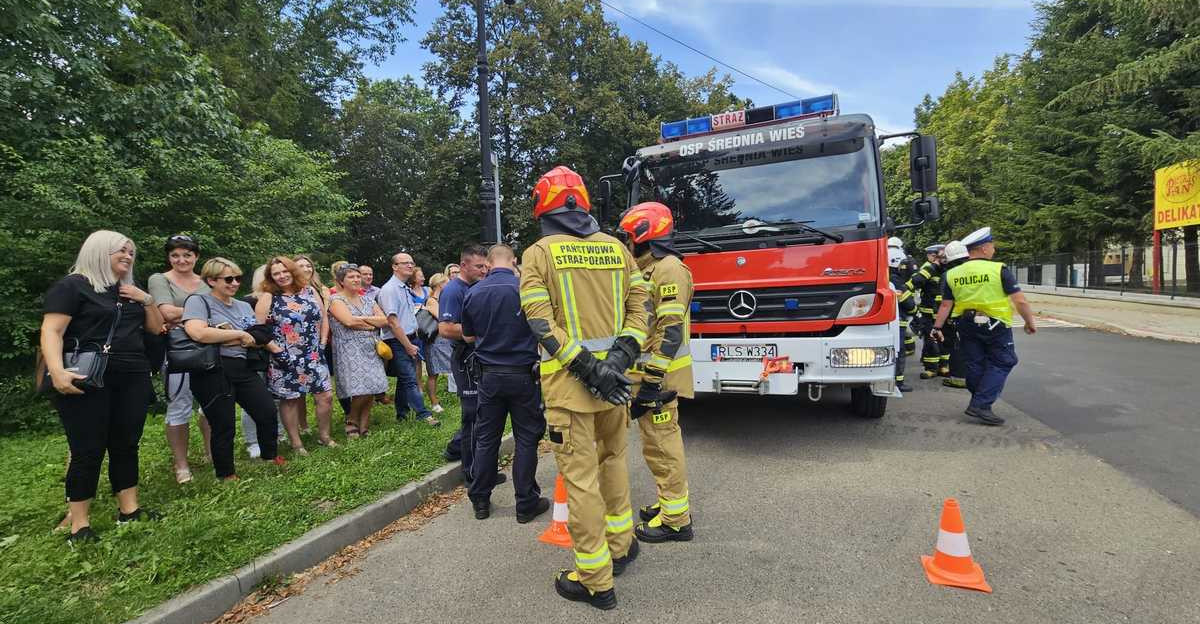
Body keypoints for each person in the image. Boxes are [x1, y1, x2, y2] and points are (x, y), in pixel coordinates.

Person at [520, 166, 649, 610]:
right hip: (616, 385)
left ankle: (595, 580)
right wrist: (618, 360)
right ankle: (621, 546)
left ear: (544, 206)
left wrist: (588, 368)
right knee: (614, 464)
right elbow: (640, 306)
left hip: (572, 389)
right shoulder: (617, 249)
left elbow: (541, 323)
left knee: (580, 481)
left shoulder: (538, 254)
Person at [42, 231, 166, 543]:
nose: (127, 256)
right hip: (87, 377)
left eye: (130, 252)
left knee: (127, 442)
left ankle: (129, 510)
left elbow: (154, 328)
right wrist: (57, 372)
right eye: (120, 251)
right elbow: (52, 330)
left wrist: (146, 299)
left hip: (132, 374)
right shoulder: (74, 285)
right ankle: (79, 525)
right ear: (98, 251)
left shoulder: (128, 291)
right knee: (87, 449)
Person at [618, 203, 696, 543]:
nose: (625, 244)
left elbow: (670, 331)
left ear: (644, 236)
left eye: (628, 238)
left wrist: (651, 383)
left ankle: (676, 520)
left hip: (659, 380)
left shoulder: (669, 269)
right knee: (654, 447)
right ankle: (668, 504)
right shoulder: (650, 270)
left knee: (663, 448)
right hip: (648, 378)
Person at [461, 245, 549, 522]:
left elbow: (467, 337)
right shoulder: (526, 289)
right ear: (514, 261)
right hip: (523, 374)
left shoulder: (473, 292)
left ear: (487, 264)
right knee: (526, 438)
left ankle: (481, 502)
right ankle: (525, 504)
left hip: (489, 375)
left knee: (487, 438)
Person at [182, 258, 286, 480]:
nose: (234, 283)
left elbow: (260, 335)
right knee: (223, 422)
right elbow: (198, 333)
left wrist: (225, 336)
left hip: (243, 366)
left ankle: (270, 456)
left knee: (266, 411)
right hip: (213, 369)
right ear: (211, 280)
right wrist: (238, 335)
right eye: (228, 279)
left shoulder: (242, 305)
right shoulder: (199, 301)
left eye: (238, 278)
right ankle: (226, 473)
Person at [932, 227, 1037, 426]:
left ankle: (980, 401)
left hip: (965, 324)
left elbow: (946, 304)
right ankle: (980, 404)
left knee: (974, 363)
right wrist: (1029, 322)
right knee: (1005, 360)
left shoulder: (952, 274)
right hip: (994, 323)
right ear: (982, 248)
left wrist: (936, 328)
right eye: (991, 245)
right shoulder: (998, 269)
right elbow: (1020, 301)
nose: (994, 249)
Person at [146, 234, 212, 484]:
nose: (181, 259)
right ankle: (181, 464)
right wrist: (203, 312)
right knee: (180, 403)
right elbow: (164, 312)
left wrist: (183, 314)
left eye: (187, 254)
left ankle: (211, 452)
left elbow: (218, 307)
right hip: (177, 349)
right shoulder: (160, 279)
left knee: (211, 402)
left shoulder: (206, 281)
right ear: (168, 257)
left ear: (196, 256)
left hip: (208, 345)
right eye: (175, 255)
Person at [256, 256, 335, 452]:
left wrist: (323, 342)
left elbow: (323, 317)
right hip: (284, 358)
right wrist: (277, 351)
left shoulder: (309, 291)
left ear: (293, 271)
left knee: (325, 396)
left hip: (314, 354)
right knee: (290, 399)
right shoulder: (268, 297)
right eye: (276, 273)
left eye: (285, 271)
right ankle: (296, 442)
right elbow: (258, 331)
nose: (282, 276)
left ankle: (324, 436)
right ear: (270, 277)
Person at [438, 246, 491, 476]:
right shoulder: (453, 291)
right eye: (479, 266)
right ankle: (471, 473)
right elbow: (446, 328)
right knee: (471, 416)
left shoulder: (476, 287)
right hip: (464, 360)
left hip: (479, 359)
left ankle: (481, 469)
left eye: (485, 266)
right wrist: (482, 331)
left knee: (483, 415)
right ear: (464, 266)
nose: (484, 270)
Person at [328, 264, 390, 438]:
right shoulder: (336, 300)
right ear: (341, 281)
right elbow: (348, 322)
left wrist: (361, 319)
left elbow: (384, 320)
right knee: (359, 388)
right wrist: (371, 324)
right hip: (348, 349)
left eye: (357, 276)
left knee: (372, 386)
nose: (356, 279)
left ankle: (364, 425)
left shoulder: (368, 300)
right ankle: (352, 419)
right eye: (351, 277)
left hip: (371, 348)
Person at [378, 252, 438, 426]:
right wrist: (408, 345)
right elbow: (393, 322)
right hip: (398, 340)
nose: (410, 266)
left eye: (411, 263)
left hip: (410, 337)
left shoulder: (404, 287)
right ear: (394, 267)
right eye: (405, 263)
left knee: (405, 380)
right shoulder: (390, 289)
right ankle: (423, 415)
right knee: (410, 379)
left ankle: (402, 414)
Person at [908, 244, 946, 379]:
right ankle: (931, 368)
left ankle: (943, 365)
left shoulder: (944, 269)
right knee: (931, 339)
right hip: (929, 312)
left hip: (942, 311)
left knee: (944, 339)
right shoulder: (928, 268)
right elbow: (916, 282)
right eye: (938, 256)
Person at [407, 267, 441, 413]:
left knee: (432, 367)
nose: (423, 278)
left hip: (428, 332)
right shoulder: (408, 292)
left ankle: (432, 399)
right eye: (420, 276)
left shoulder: (427, 290)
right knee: (417, 365)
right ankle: (419, 394)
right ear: (414, 278)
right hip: (416, 332)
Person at [938, 241, 970, 389]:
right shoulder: (976, 270)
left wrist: (939, 324)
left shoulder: (949, 275)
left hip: (956, 316)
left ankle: (958, 378)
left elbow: (945, 301)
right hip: (980, 314)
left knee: (957, 347)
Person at [889, 247, 916, 393]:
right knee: (898, 353)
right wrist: (915, 311)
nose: (904, 268)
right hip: (898, 323)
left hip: (890, 323)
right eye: (902, 265)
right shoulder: (896, 280)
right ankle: (898, 383)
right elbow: (909, 304)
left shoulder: (886, 277)